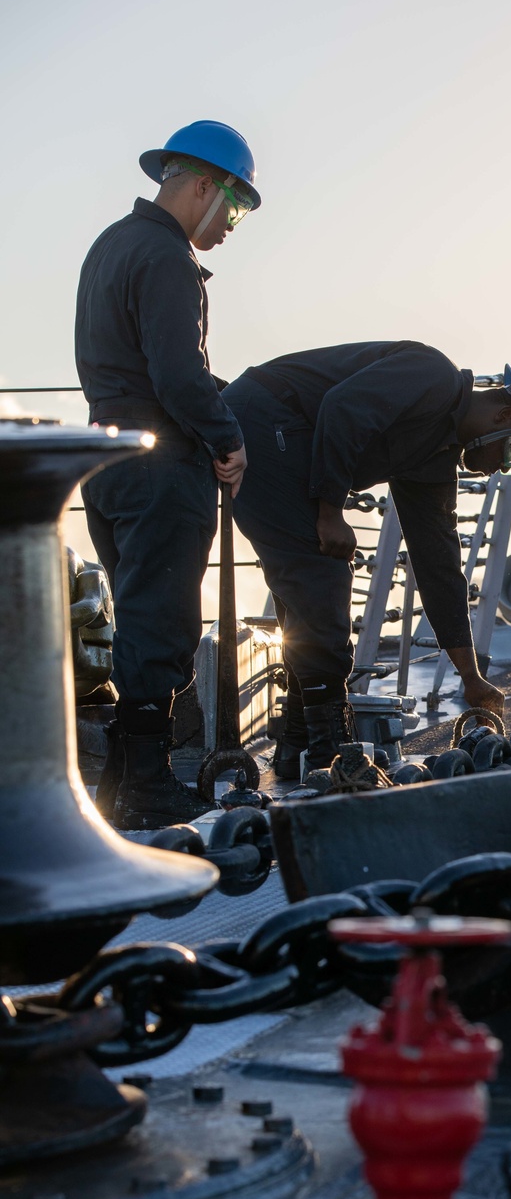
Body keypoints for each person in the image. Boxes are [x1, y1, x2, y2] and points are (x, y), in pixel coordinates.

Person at [221, 345, 511, 776]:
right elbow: (342, 408)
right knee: (320, 576)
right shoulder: (432, 376)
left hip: (285, 438)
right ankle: (327, 751)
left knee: (308, 592)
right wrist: (330, 510)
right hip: (265, 419)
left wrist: (471, 676)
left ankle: (300, 746)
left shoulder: (433, 455)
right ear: (503, 416)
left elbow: (437, 563)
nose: (499, 469)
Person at [76, 120, 260, 830]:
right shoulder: (165, 257)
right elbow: (180, 374)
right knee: (165, 620)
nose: (233, 224)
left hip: (106, 461)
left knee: (137, 615)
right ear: (204, 185)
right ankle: (147, 787)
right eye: (235, 206)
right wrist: (227, 438)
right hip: (161, 463)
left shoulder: (110, 247)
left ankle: (120, 785)